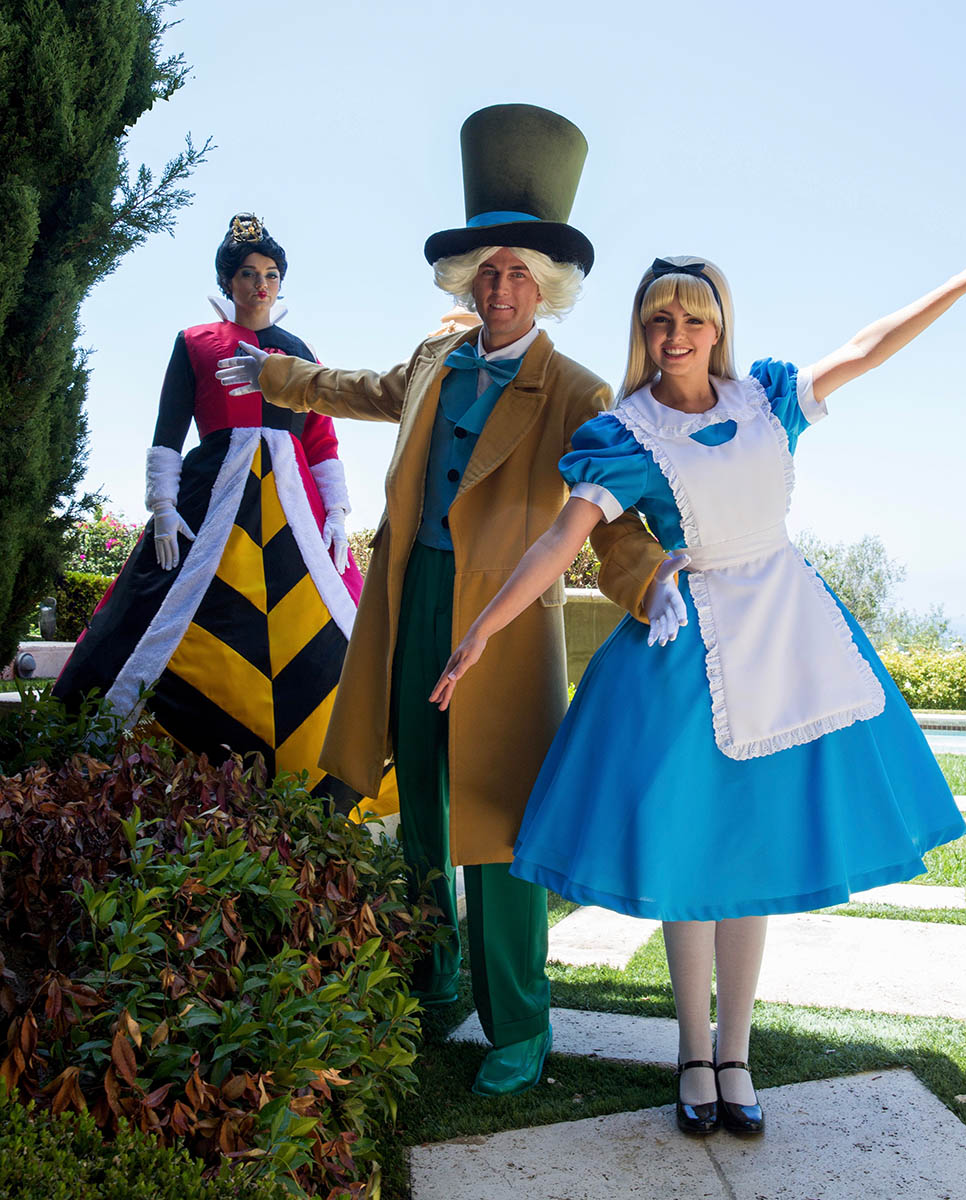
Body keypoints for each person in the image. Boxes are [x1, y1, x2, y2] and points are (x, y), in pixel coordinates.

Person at [430, 234, 966, 1132]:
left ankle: (735, 1053)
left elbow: (866, 348)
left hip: (790, 642)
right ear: (643, 331)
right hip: (685, 660)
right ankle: (692, 1055)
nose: (675, 334)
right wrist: (482, 629)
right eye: (658, 320)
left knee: (754, 858)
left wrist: (960, 284)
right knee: (691, 856)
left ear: (718, 328)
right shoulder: (625, 436)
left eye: (692, 320)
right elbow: (558, 540)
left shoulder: (768, 401)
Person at [214, 106, 669, 1096]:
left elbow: (611, 520)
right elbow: (362, 387)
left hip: (506, 629)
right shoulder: (435, 359)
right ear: (468, 280)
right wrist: (278, 375)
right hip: (413, 597)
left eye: (519, 274)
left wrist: (650, 583)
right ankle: (433, 975)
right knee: (419, 796)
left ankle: (520, 1023)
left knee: (500, 825)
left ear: (547, 288)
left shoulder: (578, 392)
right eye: (486, 272)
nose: (500, 288)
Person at [54, 214, 364, 808]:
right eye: (248, 273)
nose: (260, 285)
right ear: (228, 280)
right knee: (151, 606)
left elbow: (321, 438)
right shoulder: (195, 342)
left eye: (270, 274)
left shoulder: (301, 352)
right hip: (211, 495)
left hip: (296, 509)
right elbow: (168, 431)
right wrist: (164, 505)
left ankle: (334, 772)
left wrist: (336, 512)